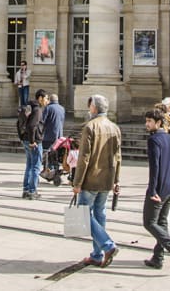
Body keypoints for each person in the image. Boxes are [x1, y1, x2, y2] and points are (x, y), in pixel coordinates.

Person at [70, 94, 122, 268]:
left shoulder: (90, 127)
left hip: (91, 179)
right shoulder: (114, 128)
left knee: (84, 215)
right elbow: (118, 157)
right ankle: (97, 254)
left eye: (90, 105)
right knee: (99, 215)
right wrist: (116, 180)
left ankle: (108, 245)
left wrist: (77, 183)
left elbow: (83, 157)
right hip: (106, 179)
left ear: (94, 108)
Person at [141, 108, 170, 272]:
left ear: (159, 122)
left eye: (149, 121)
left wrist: (152, 190)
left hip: (159, 189)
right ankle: (157, 258)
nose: (147, 124)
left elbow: (155, 167)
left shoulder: (154, 140)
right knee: (161, 223)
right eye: (146, 121)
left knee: (149, 222)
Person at [19, 88, 45, 199]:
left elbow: (19, 123)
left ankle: (26, 189)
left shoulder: (28, 107)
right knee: (35, 167)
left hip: (25, 139)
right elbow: (32, 126)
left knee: (29, 165)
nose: (47, 101)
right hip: (34, 142)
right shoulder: (37, 109)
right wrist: (32, 141)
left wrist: (23, 138)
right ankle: (32, 191)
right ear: (40, 98)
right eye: (46, 98)